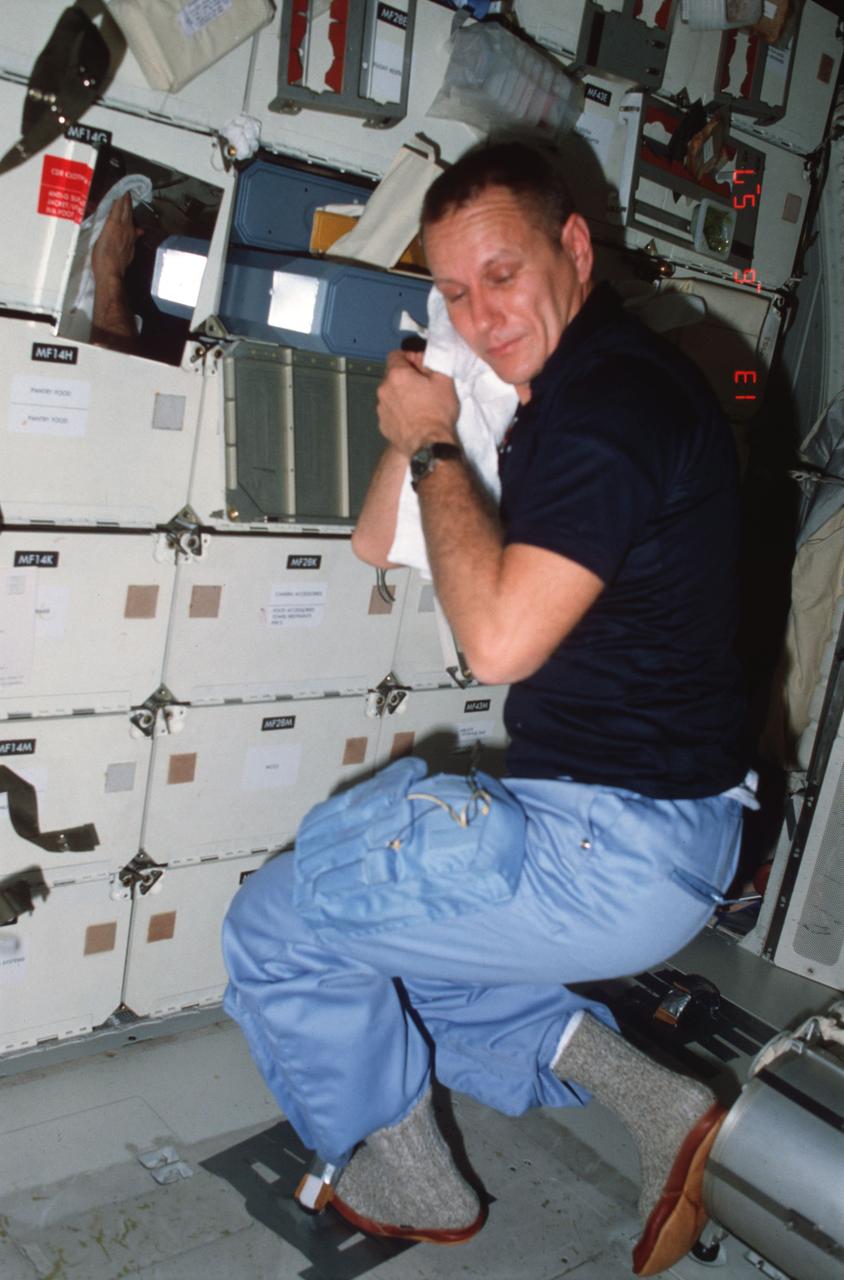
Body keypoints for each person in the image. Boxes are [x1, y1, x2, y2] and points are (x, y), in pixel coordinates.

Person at [222, 137, 751, 1277]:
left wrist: (428, 441)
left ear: (573, 247)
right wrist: (446, 389)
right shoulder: (565, 387)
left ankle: (409, 1176)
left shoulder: (609, 406)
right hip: (647, 833)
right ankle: (646, 1095)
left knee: (277, 929)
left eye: (500, 276)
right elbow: (379, 541)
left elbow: (498, 639)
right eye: (456, 290)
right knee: (399, 936)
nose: (482, 310)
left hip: (613, 848)